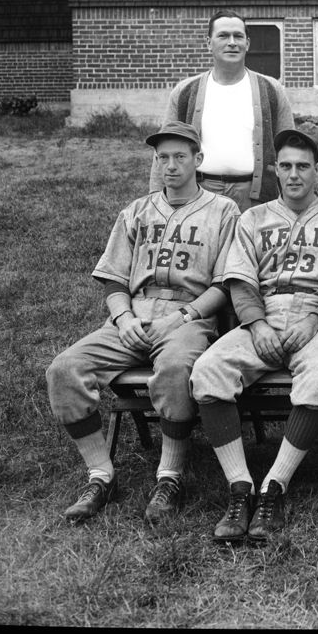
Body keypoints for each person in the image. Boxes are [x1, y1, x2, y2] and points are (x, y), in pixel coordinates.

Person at [46, 122, 239, 525]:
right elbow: (115, 278)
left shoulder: (223, 210)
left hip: (190, 314)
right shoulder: (136, 210)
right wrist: (123, 316)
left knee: (173, 369)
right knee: (64, 369)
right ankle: (101, 475)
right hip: (134, 314)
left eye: (179, 157)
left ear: (198, 160)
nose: (170, 165)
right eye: (162, 157)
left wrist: (184, 317)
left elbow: (224, 283)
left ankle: (169, 476)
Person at [189, 129, 318, 543]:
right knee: (208, 370)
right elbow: (241, 281)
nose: (294, 174)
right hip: (263, 313)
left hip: (315, 315)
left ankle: (274, 487)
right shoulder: (253, 218)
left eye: (303, 166)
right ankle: (240, 487)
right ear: (275, 170)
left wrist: (316, 320)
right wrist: (258, 323)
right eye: (285, 166)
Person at [149, 9, 295, 213]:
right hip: (199, 194)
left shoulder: (271, 89)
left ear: (248, 43)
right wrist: (155, 197)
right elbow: (163, 151)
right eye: (223, 35)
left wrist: (292, 199)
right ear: (209, 43)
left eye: (238, 36)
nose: (232, 42)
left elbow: (290, 150)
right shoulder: (185, 91)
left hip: (256, 197)